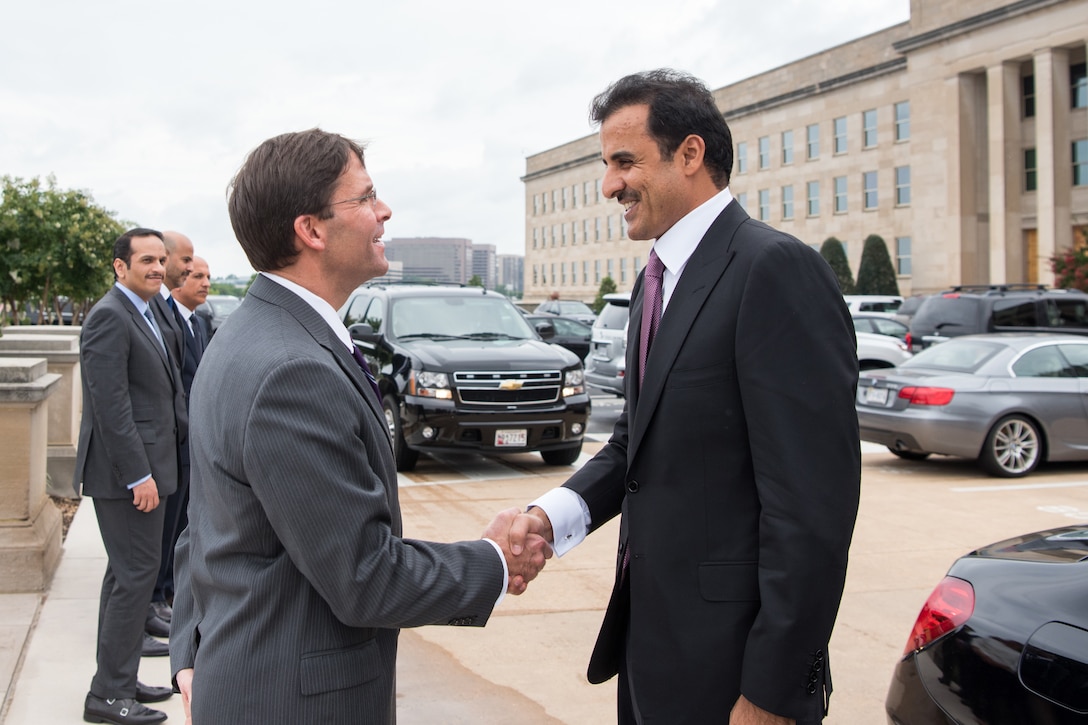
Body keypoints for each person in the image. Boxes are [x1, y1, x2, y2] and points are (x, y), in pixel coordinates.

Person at [510, 69, 861, 724]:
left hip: (733, 677)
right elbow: (634, 449)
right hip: (650, 658)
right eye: (606, 164)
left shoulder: (774, 271)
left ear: (691, 154)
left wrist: (772, 693)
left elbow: (812, 512)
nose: (609, 184)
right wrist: (548, 517)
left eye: (623, 161)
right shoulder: (653, 283)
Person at [169, 128, 548, 724]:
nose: (384, 210)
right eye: (366, 197)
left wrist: (188, 651)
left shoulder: (247, 334)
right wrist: (495, 560)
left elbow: (202, 524)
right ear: (312, 230)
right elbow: (365, 576)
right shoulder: (291, 369)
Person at [73, 228, 188, 725]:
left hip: (151, 468)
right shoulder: (108, 317)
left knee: (125, 576)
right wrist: (138, 475)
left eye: (162, 260)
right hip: (127, 475)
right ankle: (108, 696)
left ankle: (117, 679)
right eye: (147, 260)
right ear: (120, 267)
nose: (158, 268)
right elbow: (111, 408)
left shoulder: (144, 311)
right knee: (136, 575)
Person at [149, 254, 211, 623]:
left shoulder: (198, 322)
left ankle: (169, 589)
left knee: (180, 526)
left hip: (191, 442)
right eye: (194, 273)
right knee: (164, 528)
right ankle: (156, 596)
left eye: (205, 275)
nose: (202, 281)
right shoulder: (163, 316)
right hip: (174, 443)